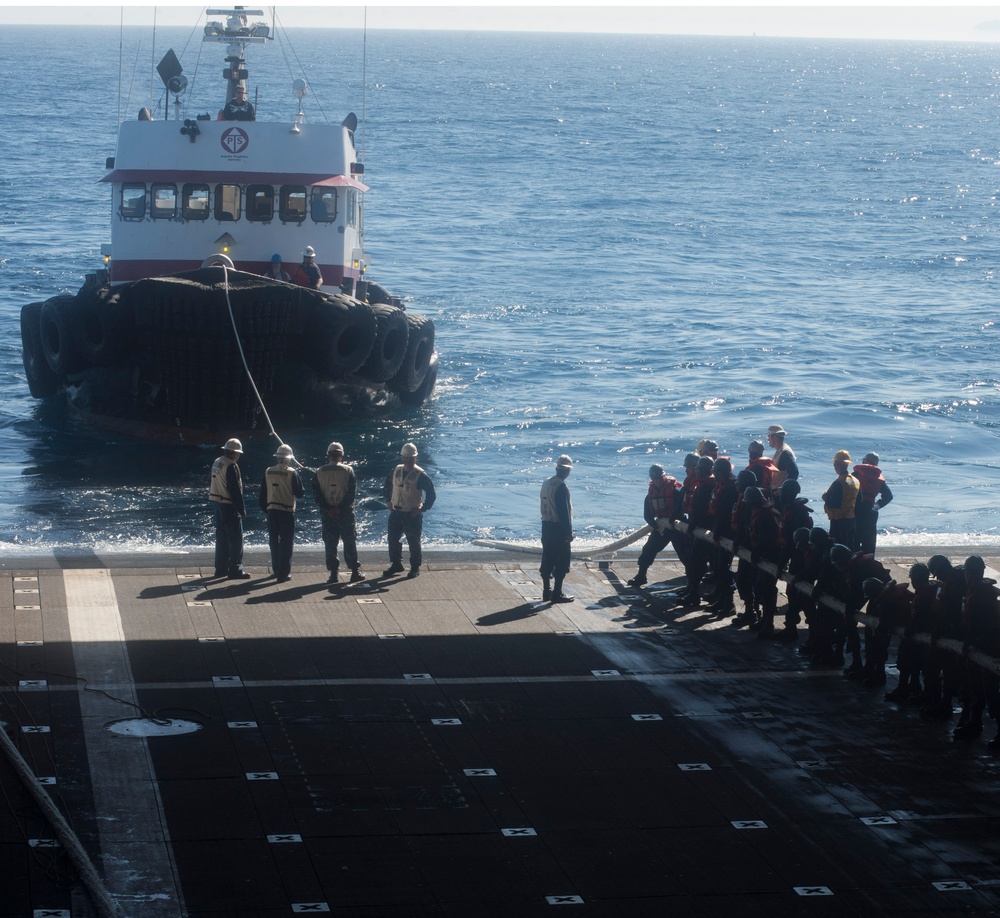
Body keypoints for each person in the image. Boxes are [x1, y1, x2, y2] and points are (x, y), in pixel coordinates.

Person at [314, 441, 366, 585]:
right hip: (345, 514)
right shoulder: (348, 471)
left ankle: (333, 574)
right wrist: (340, 508)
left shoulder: (319, 471)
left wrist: (329, 509)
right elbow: (351, 494)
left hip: (327, 515)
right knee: (349, 542)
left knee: (330, 544)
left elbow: (317, 495)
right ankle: (355, 572)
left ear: (328, 455)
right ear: (341, 456)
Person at [383, 442, 436, 578]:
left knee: (413, 542)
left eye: (411, 458)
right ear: (402, 457)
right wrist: (388, 501)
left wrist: (422, 509)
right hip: (396, 512)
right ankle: (396, 564)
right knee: (393, 539)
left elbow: (431, 494)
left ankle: (414, 567)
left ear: (416, 458)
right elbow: (387, 486)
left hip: (411, 514)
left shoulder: (420, 475)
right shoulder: (396, 471)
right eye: (406, 457)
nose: (408, 460)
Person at [628, 464, 681, 587]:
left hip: (677, 527)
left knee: (685, 553)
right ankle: (641, 576)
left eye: (659, 477)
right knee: (648, 549)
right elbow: (647, 515)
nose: (657, 481)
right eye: (654, 478)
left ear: (664, 476)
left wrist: (672, 522)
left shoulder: (675, 491)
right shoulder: (650, 495)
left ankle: (693, 581)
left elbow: (681, 508)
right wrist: (656, 526)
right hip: (661, 527)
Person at [259, 444, 304, 583]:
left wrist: (267, 510)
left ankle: (276, 569)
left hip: (272, 511)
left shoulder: (268, 471)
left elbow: (262, 495)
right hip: (286, 511)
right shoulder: (292, 472)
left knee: (273, 541)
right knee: (286, 543)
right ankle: (284, 573)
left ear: (278, 457)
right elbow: (300, 493)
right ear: (288, 459)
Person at [209, 437, 250, 580]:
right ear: (234, 453)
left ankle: (220, 569)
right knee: (236, 541)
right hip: (229, 506)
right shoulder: (230, 466)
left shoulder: (217, 462)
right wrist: (242, 510)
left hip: (217, 505)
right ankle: (235, 569)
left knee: (221, 540)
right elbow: (234, 491)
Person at [540, 454, 575, 603]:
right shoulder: (561, 487)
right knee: (562, 561)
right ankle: (557, 593)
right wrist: (568, 532)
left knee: (547, 558)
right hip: (558, 528)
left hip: (546, 526)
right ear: (567, 471)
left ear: (557, 468)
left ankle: (546, 591)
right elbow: (563, 512)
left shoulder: (546, 483)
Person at [852, 452, 893, 556]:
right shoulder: (877, 477)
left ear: (864, 461)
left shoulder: (856, 474)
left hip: (856, 511)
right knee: (869, 544)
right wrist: (877, 505)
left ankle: (854, 566)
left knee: (855, 542)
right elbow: (889, 496)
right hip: (871, 511)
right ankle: (869, 565)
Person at [822, 449, 860, 550]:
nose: (834, 466)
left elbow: (834, 504)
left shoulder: (838, 483)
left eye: (835, 464)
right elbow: (859, 501)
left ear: (838, 464)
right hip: (851, 520)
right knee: (850, 548)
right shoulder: (856, 481)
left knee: (839, 550)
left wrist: (825, 498)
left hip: (839, 523)